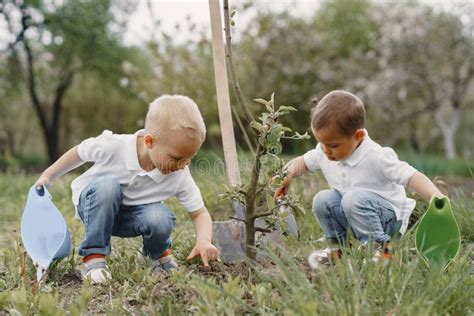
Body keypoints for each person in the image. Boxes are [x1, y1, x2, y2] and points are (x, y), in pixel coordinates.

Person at [35, 95, 219, 284]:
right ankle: (93, 257)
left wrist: (204, 240)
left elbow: (199, 213)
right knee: (108, 186)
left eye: (189, 159)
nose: (182, 165)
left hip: (134, 218)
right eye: (176, 158)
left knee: (160, 218)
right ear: (149, 141)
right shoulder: (114, 146)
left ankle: (153, 255)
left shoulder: (179, 173)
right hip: (96, 207)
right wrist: (48, 176)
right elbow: (79, 153)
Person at [275, 90, 444, 266]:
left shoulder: (377, 157)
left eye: (333, 145)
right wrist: (287, 174)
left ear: (358, 136)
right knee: (322, 199)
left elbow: (410, 175)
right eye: (321, 143)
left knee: (353, 199)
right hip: (353, 213)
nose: (325, 151)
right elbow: (302, 162)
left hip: (387, 220)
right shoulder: (324, 151)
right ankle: (338, 247)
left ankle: (382, 249)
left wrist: (434, 194)